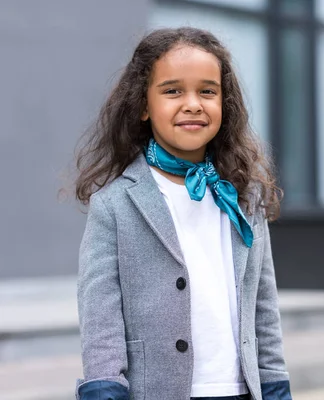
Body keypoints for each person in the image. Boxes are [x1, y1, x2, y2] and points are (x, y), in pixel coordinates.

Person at [73, 27, 292, 400]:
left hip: (240, 391)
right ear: (143, 105)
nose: (193, 103)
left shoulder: (243, 197)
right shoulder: (114, 203)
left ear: (226, 105)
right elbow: (100, 318)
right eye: (173, 91)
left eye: (207, 91)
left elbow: (263, 307)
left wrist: (275, 386)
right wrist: (104, 388)